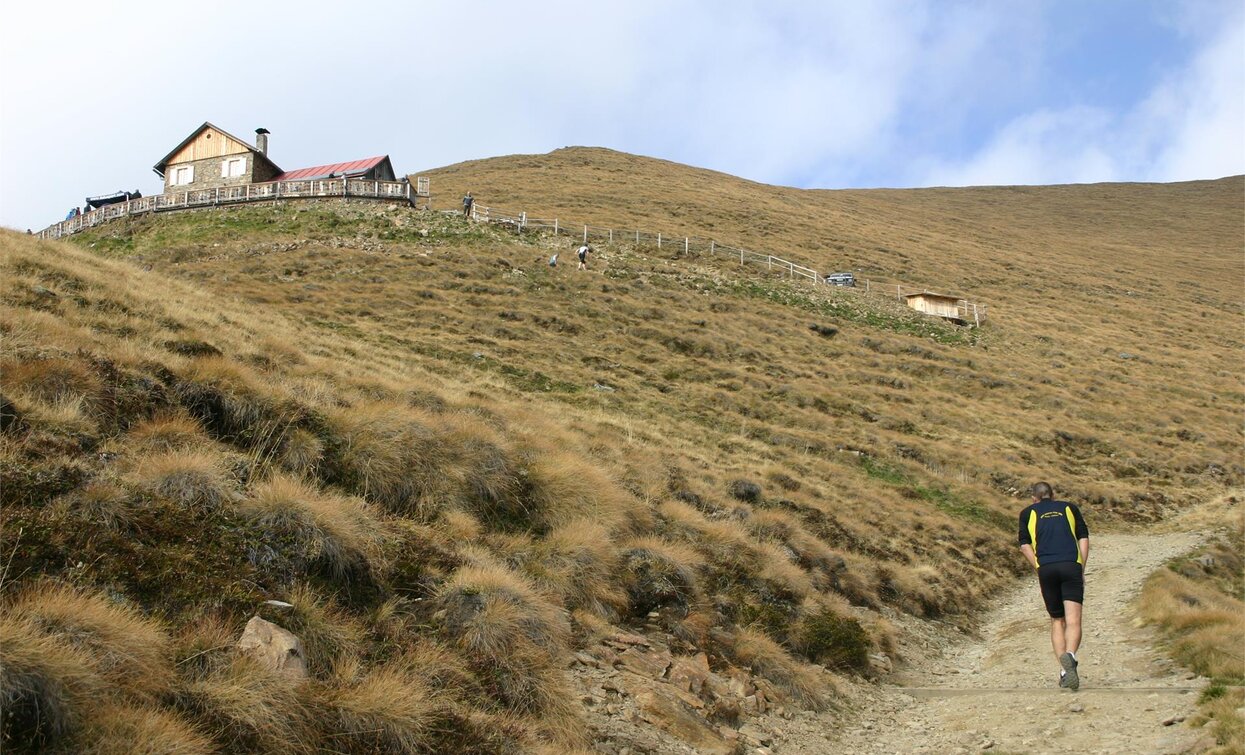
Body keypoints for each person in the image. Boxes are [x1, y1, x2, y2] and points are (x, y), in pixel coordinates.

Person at [1017, 481, 1089, 690]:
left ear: (1034, 498)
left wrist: (1038, 566)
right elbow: (1083, 538)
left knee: (1057, 620)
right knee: (1074, 620)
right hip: (1071, 564)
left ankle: (1065, 671)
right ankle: (1071, 656)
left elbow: (1024, 546)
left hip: (1047, 567)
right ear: (1053, 495)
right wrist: (1081, 567)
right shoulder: (1069, 508)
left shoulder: (1027, 513)